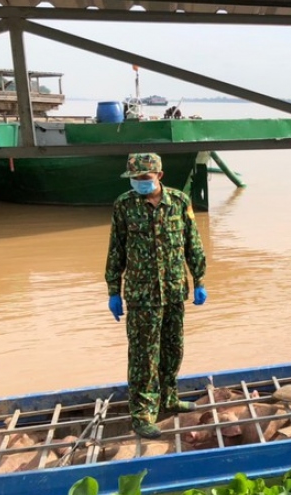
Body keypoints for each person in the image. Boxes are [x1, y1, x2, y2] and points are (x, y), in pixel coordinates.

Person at [105, 152, 208, 439]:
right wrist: (113, 290)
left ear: (159, 176)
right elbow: (116, 250)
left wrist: (199, 279)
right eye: (135, 179)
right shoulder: (124, 206)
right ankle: (141, 413)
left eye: (145, 178)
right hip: (142, 295)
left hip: (174, 291)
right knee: (143, 356)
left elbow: (192, 242)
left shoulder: (179, 202)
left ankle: (168, 398)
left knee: (173, 348)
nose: (140, 183)